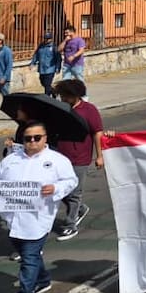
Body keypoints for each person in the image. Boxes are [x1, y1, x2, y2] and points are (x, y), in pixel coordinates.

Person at [0, 120, 78, 293]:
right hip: (12, 218)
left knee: (29, 258)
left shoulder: (57, 160)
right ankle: (43, 279)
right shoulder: (11, 160)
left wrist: (55, 189)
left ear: (45, 138)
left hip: (39, 219)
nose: (33, 142)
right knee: (28, 254)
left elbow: (71, 181)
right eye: (28, 138)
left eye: (37, 137)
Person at [49, 79, 103, 241]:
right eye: (61, 96)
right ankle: (80, 209)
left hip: (80, 157)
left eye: (65, 96)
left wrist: (100, 156)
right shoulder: (60, 109)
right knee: (56, 189)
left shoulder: (89, 110)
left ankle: (70, 225)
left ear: (76, 95)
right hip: (59, 156)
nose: (63, 98)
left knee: (74, 192)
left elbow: (97, 132)